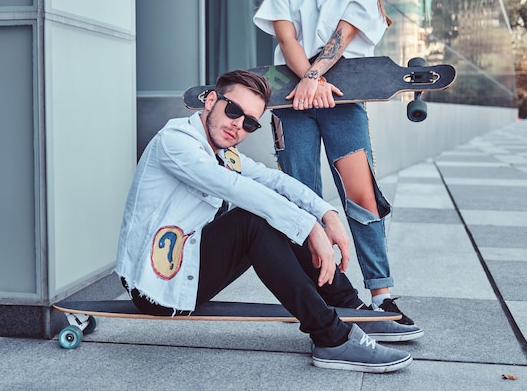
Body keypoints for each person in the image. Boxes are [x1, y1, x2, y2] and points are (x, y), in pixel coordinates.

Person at [115, 69, 422, 373]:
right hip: (154, 287)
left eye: (249, 122)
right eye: (233, 110)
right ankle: (332, 337)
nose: (237, 125)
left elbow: (273, 180)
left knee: (273, 209)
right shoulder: (176, 143)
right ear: (210, 100)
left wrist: (326, 214)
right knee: (255, 220)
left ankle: (351, 310)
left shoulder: (222, 151)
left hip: (189, 270)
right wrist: (309, 227)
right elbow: (236, 188)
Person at [253, 0, 415, 324]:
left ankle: (381, 295)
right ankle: (326, 292)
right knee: (302, 197)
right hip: (291, 98)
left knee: (362, 195)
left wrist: (316, 78)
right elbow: (287, 38)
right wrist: (312, 80)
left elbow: (342, 37)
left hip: (344, 95)